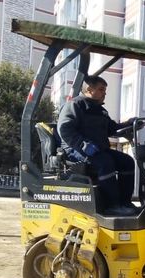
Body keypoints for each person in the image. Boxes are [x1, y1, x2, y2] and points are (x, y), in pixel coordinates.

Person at [57, 75, 137, 216]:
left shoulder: (99, 110)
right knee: (105, 163)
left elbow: (112, 128)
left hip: (98, 150)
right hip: (75, 150)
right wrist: (83, 144)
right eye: (101, 89)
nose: (104, 93)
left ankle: (124, 202)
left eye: (105, 90)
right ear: (89, 89)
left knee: (127, 161)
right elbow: (64, 129)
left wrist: (128, 124)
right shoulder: (75, 105)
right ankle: (113, 205)